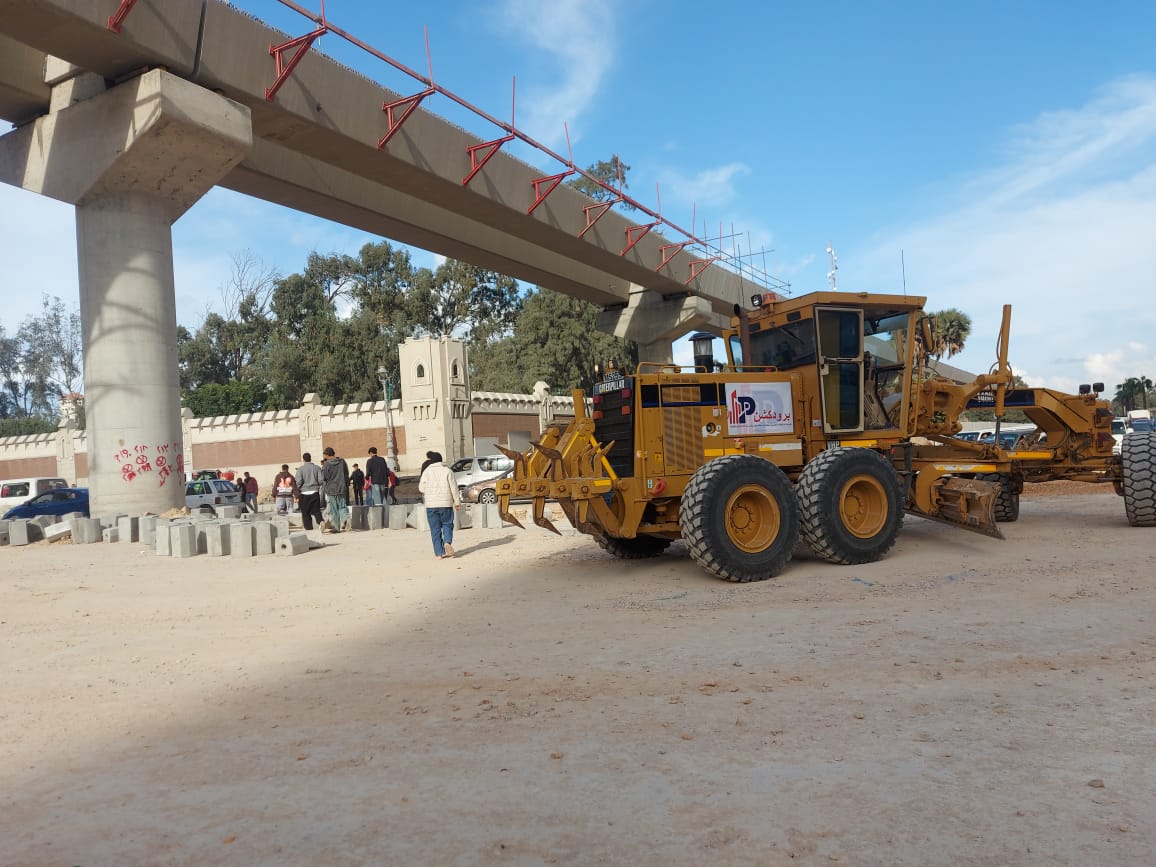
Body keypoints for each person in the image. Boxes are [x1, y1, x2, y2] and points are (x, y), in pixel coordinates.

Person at [418, 450, 460, 559]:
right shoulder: (447, 471)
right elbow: (454, 488)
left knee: (435, 529)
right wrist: (457, 502)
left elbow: (421, 488)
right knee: (447, 524)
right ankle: (447, 542)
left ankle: (439, 553)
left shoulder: (426, 472)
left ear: (431, 461)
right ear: (441, 460)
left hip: (431, 505)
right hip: (446, 504)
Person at [321, 446, 351, 532]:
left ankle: (336, 527)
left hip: (331, 489)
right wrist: (346, 485)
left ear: (327, 455)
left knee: (333, 508)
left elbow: (324, 477)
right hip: (341, 487)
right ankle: (346, 519)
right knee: (342, 505)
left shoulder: (326, 464)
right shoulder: (342, 462)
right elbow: (346, 474)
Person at [294, 452, 324, 530]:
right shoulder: (317, 468)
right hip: (315, 492)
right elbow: (321, 480)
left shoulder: (300, 469)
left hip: (304, 493)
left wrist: (298, 489)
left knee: (305, 513)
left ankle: (309, 529)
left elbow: (299, 481)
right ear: (310, 458)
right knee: (316, 510)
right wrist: (317, 485)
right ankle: (320, 521)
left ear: (303, 459)